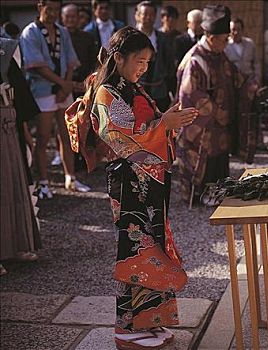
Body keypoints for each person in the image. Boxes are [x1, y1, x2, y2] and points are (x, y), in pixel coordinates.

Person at [81, 26, 197, 348]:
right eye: (139, 61)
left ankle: (150, 319)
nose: (143, 68)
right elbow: (120, 139)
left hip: (150, 180)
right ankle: (126, 328)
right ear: (118, 58)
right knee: (134, 251)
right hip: (129, 182)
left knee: (154, 247)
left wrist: (169, 121)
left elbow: (152, 127)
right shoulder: (107, 94)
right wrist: (163, 125)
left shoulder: (135, 89)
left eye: (147, 62)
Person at [176, 5, 257, 205]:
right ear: (211, 38)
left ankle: (218, 192)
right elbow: (190, 93)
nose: (227, 42)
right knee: (203, 158)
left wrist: (251, 87)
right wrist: (214, 111)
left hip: (220, 123)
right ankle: (199, 194)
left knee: (220, 157)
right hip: (202, 125)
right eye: (224, 39)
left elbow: (236, 78)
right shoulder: (196, 59)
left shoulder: (220, 54)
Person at [20, 0, 90, 197]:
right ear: (39, 7)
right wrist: (63, 84)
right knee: (42, 138)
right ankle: (43, 182)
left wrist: (65, 85)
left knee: (66, 135)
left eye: (56, 9)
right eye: (48, 9)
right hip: (42, 89)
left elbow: (69, 61)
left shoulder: (62, 31)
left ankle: (71, 178)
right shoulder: (30, 32)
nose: (52, 13)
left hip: (63, 89)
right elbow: (37, 66)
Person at [1, 36, 41, 276]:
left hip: (8, 121)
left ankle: (15, 245)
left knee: (14, 183)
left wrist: (24, 127)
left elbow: (19, 89)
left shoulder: (5, 49)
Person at [135, 1, 173, 112]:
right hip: (135, 90)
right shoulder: (129, 36)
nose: (148, 18)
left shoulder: (162, 38)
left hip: (159, 91)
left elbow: (170, 65)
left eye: (151, 15)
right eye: (145, 14)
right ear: (137, 15)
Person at [61, 4, 98, 98]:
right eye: (67, 17)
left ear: (78, 17)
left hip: (84, 84)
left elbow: (94, 62)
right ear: (62, 17)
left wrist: (87, 82)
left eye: (73, 17)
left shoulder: (88, 37)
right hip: (62, 85)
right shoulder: (57, 36)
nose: (70, 20)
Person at [224, 17, 261, 85]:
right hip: (232, 83)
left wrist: (256, 81)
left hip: (249, 82)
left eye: (239, 29)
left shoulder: (250, 44)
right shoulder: (225, 46)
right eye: (233, 30)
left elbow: (256, 64)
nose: (236, 32)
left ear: (243, 30)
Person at [159, 5, 181, 102]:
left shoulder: (180, 37)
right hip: (161, 76)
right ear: (163, 18)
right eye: (169, 18)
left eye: (174, 19)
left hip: (175, 73)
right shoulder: (158, 36)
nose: (172, 22)